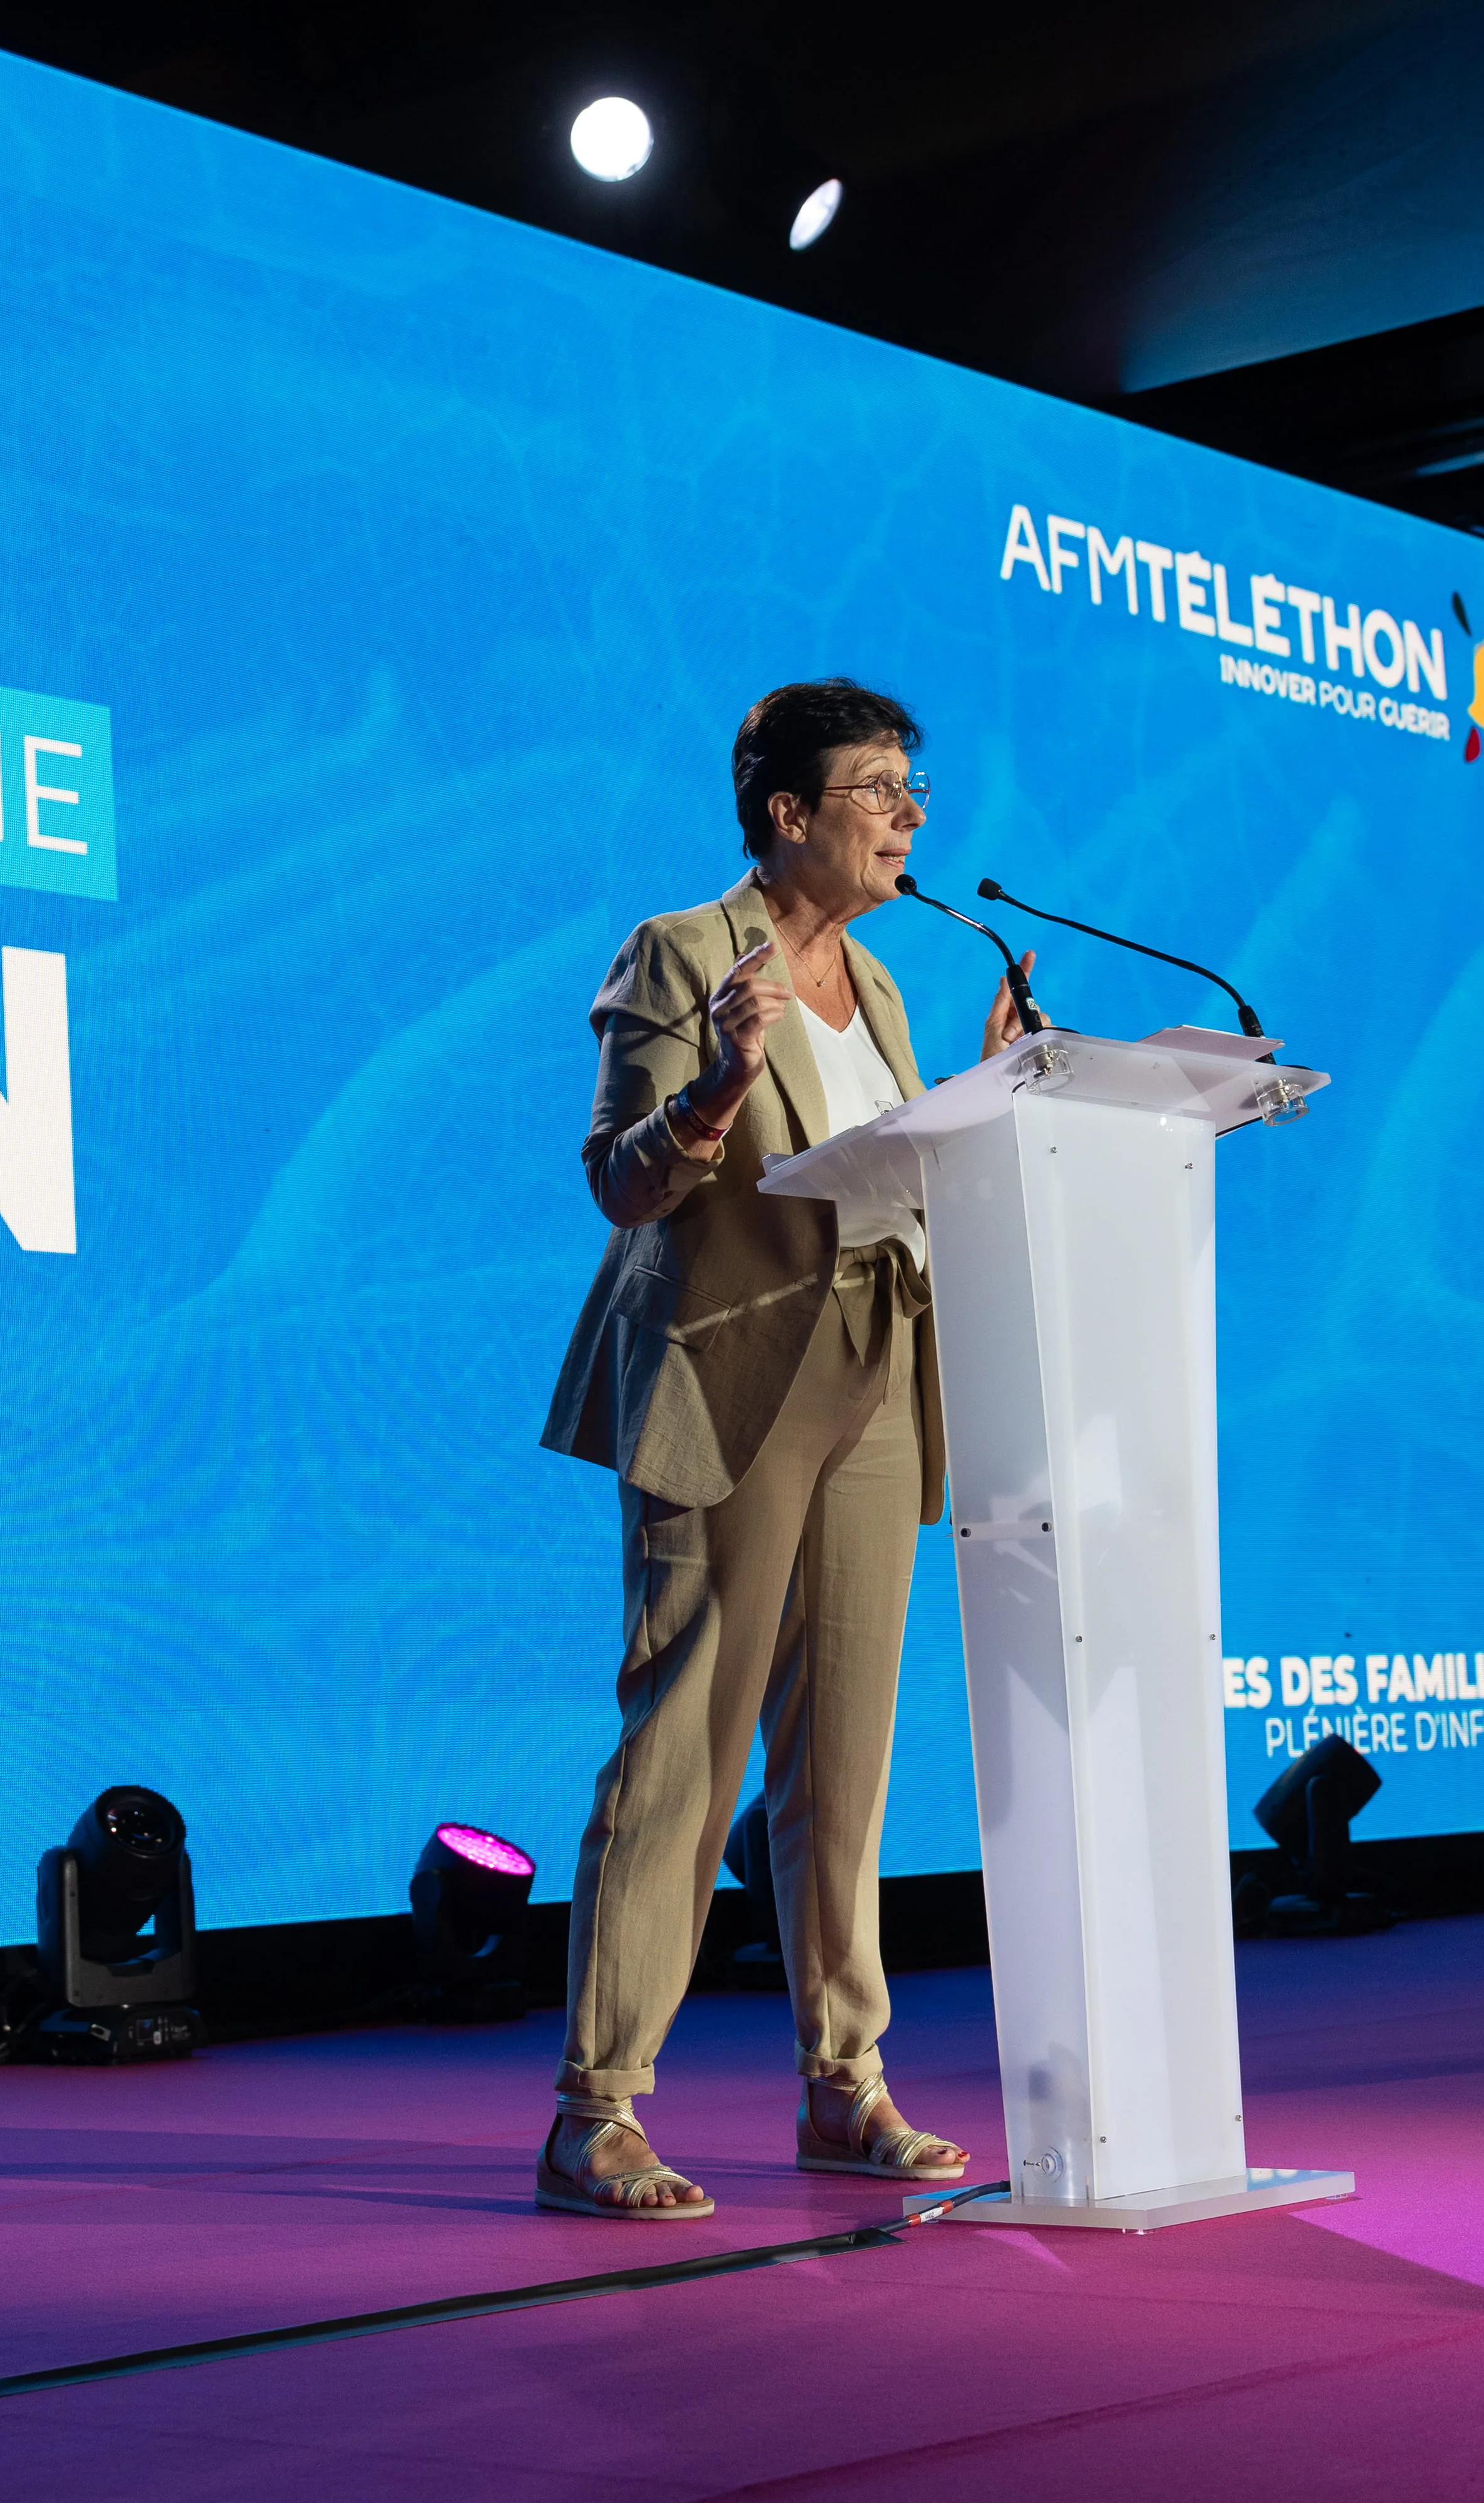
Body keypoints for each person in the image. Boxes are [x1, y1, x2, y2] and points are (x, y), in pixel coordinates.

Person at [534, 678, 1034, 2220]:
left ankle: (845, 2081)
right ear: (788, 813)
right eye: (878, 786)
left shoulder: (882, 985)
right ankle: (598, 2107)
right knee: (687, 1737)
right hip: (735, 1379)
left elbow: (882, 1167)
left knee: (846, 1757)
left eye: (914, 785)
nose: (909, 813)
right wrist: (716, 1087)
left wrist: (989, 1087)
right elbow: (622, 1184)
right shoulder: (682, 952)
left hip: (879, 1370)